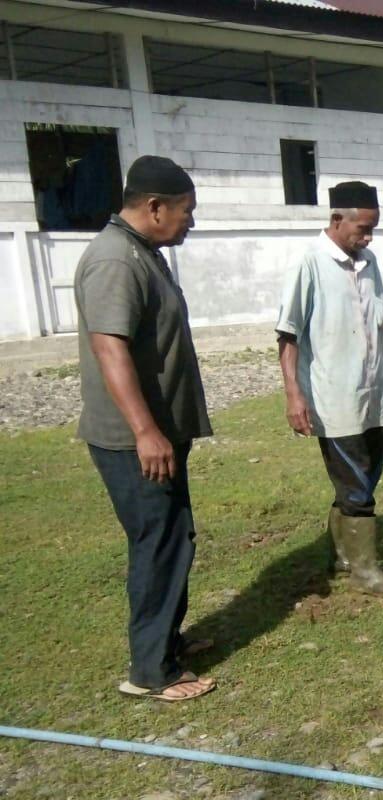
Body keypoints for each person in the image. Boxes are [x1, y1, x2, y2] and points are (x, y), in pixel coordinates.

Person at [75, 155, 215, 702]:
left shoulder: (143, 252)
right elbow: (109, 348)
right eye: (185, 211)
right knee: (157, 542)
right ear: (154, 207)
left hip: (155, 435)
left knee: (174, 537)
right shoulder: (115, 260)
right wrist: (145, 431)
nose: (190, 222)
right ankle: (151, 671)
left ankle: (165, 643)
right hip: (133, 440)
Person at [276, 181, 383, 598]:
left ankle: (341, 557)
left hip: (371, 392)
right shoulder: (310, 263)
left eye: (373, 229)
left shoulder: (368, 262)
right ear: (337, 219)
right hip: (333, 396)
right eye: (362, 228)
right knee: (356, 484)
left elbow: (377, 328)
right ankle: (365, 571)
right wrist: (293, 395)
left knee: (365, 477)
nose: (368, 237)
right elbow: (288, 334)